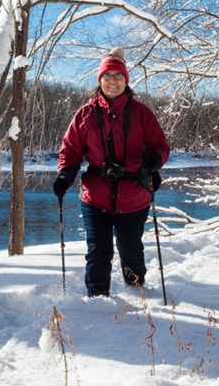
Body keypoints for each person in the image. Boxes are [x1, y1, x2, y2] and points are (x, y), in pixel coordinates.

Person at [53, 47, 170, 297]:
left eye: (118, 76)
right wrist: (65, 173)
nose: (112, 81)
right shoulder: (85, 114)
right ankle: (96, 300)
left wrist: (154, 160)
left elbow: (162, 146)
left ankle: (138, 295)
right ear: (100, 80)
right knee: (98, 251)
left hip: (134, 196)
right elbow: (70, 150)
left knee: (131, 250)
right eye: (107, 76)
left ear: (126, 81)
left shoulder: (142, 113)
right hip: (96, 196)